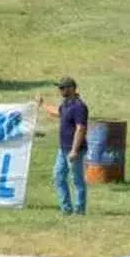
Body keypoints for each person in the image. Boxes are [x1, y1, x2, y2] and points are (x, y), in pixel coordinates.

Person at [37, 77, 89, 215]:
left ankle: (79, 211)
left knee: (77, 180)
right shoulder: (66, 104)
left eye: (62, 88)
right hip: (63, 149)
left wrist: (74, 150)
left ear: (71, 88)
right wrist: (43, 105)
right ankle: (66, 209)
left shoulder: (79, 107)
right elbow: (57, 112)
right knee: (58, 177)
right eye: (60, 88)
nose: (60, 90)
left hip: (74, 150)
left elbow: (81, 129)